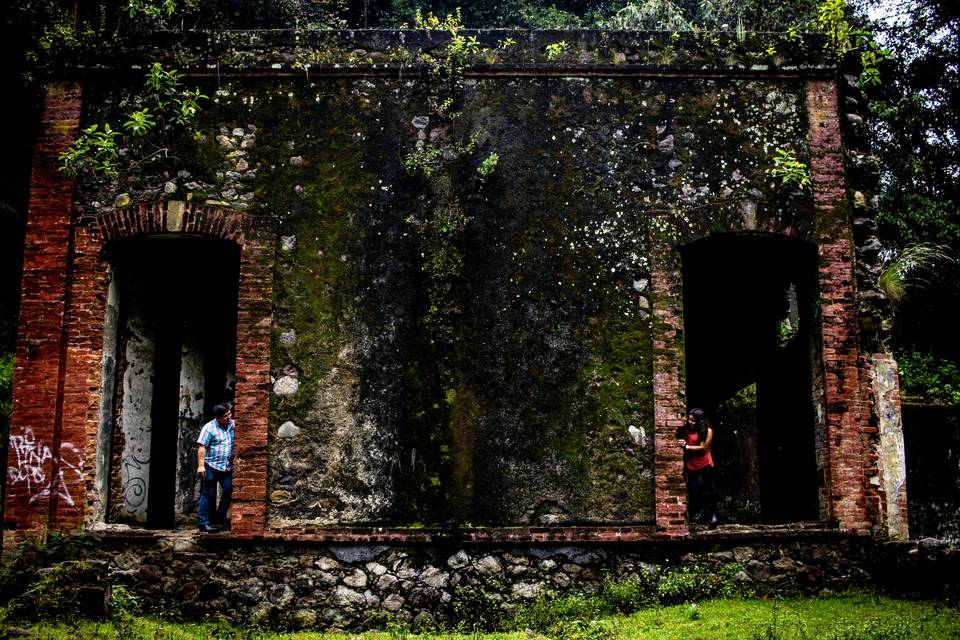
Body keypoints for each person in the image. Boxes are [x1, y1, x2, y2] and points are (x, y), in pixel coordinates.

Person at [196, 403, 235, 532]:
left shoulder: (233, 425)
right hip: (211, 466)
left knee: (229, 490)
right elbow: (202, 447)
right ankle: (204, 523)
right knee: (208, 493)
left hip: (226, 467)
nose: (229, 417)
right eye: (225, 416)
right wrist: (201, 466)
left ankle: (220, 517)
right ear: (218, 418)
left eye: (229, 414)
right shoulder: (209, 428)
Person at [677, 407, 718, 529]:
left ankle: (713, 513)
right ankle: (701, 510)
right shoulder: (687, 429)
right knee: (693, 487)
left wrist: (687, 447)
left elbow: (703, 447)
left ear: (700, 421)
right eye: (689, 420)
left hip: (704, 460)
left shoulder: (708, 430)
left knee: (710, 487)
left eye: (693, 421)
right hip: (692, 462)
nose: (690, 422)